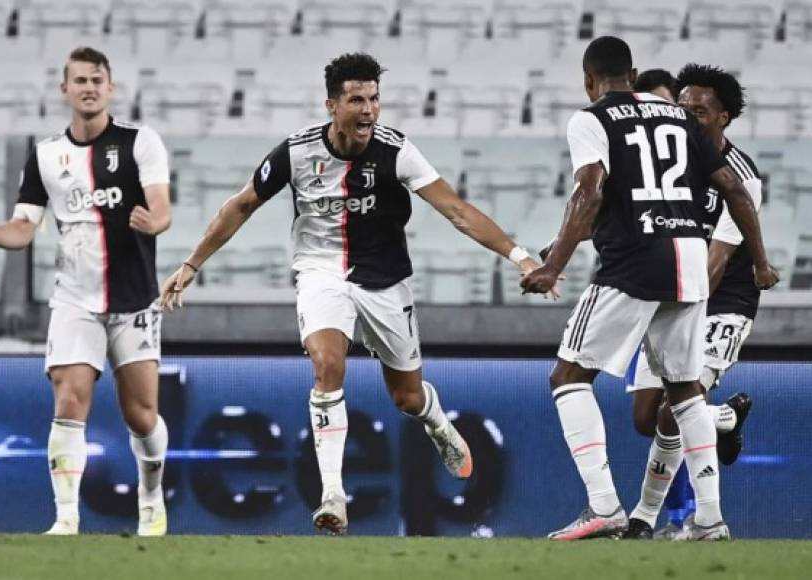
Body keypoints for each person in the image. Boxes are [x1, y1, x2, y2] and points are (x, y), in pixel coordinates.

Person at [159, 52, 551, 536]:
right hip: (321, 272)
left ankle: (436, 423)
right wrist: (192, 263)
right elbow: (241, 205)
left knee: (406, 397)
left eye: (374, 99)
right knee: (327, 363)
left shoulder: (396, 150)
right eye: (357, 100)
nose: (368, 110)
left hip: (385, 280)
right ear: (331, 104)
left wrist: (521, 256)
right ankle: (332, 495)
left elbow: (456, 210)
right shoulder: (296, 152)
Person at [521, 36, 778, 541]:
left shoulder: (589, 118)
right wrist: (763, 262)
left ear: (589, 79)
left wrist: (554, 265)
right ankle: (709, 520)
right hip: (688, 259)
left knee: (569, 376)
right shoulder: (676, 115)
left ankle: (604, 506)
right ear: (634, 73)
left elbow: (590, 191)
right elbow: (732, 187)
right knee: (682, 392)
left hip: (634, 260)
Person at [0, 47, 172, 536]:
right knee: (69, 399)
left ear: (110, 87)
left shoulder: (141, 142)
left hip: (134, 299)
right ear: (65, 89)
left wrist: (154, 221)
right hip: (75, 299)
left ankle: (150, 496)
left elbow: (162, 207)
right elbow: (25, 227)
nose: (88, 87)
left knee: (141, 416)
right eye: (79, 79)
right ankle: (65, 518)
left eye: (97, 79)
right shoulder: (45, 156)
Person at [624, 63, 762, 540]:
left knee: (672, 411)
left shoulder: (742, 178)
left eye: (700, 111)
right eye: (683, 108)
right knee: (646, 418)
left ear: (724, 117)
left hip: (721, 301)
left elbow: (718, 260)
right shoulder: (670, 163)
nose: (688, 117)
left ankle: (645, 517)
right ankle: (722, 416)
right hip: (669, 295)